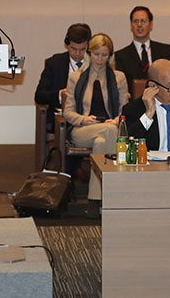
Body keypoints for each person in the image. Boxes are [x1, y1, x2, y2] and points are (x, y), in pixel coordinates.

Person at [63, 33, 129, 213]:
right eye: (96, 54)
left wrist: (115, 120)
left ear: (110, 56)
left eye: (104, 55)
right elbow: (67, 112)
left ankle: (94, 201)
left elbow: (125, 109)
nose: (100, 59)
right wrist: (84, 119)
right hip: (82, 130)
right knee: (109, 133)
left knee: (102, 142)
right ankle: (106, 197)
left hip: (109, 129)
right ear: (89, 54)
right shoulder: (76, 78)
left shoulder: (119, 77)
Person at [34, 23, 92, 132]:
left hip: (89, 115)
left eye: (83, 49)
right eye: (73, 49)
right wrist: (61, 95)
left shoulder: (95, 63)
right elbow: (39, 95)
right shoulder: (54, 63)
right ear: (67, 45)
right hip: (62, 117)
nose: (78, 54)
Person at [113, 6, 170, 87]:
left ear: (151, 24)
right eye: (135, 21)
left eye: (143, 21)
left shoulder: (166, 51)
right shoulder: (120, 56)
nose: (139, 25)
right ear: (131, 25)